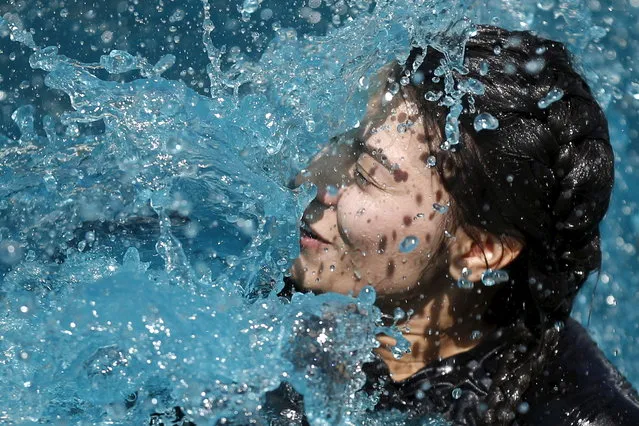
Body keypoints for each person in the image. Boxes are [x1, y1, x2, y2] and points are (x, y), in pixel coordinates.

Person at [287, 25, 639, 425]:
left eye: (368, 175)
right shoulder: (286, 299)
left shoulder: (572, 413)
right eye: (340, 142)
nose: (315, 177)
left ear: (478, 249)